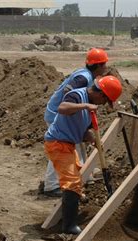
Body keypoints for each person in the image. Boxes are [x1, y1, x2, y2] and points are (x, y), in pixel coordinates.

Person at [44, 75, 122, 234]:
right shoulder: (78, 96)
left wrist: (92, 139)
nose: (102, 104)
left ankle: (74, 203)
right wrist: (85, 105)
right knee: (72, 181)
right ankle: (69, 225)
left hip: (68, 144)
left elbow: (84, 130)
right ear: (100, 94)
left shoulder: (90, 105)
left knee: (77, 175)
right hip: (58, 143)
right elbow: (62, 108)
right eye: (105, 101)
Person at [42, 48, 109, 197]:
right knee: (62, 148)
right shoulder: (84, 78)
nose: (106, 68)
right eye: (104, 65)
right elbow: (69, 95)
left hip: (60, 113)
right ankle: (52, 185)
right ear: (98, 65)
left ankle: (85, 175)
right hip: (57, 115)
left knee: (74, 148)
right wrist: (80, 111)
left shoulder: (88, 76)